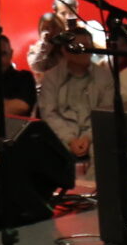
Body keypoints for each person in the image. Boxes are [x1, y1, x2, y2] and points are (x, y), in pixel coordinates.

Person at [36, 35, 107, 163]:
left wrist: (88, 137)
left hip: (96, 135)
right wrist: (69, 139)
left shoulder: (105, 77)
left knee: (102, 152)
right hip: (61, 136)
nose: (84, 50)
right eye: (78, 47)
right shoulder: (51, 77)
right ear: (64, 50)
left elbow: (106, 113)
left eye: (87, 46)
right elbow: (49, 114)